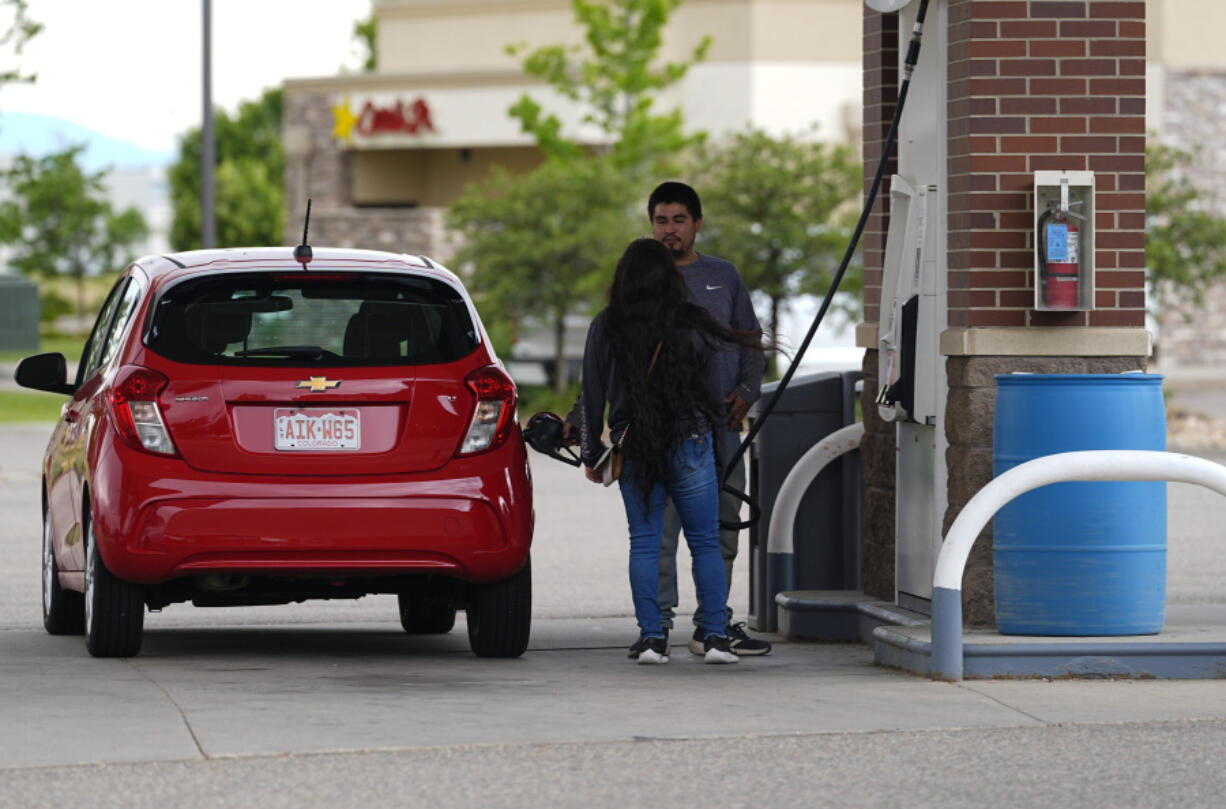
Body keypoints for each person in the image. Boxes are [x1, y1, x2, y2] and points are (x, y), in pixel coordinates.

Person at [576, 238, 764, 665]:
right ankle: (715, 638)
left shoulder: (606, 325)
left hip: (636, 448)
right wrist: (717, 445)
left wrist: (591, 455)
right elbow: (713, 391)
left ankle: (652, 639)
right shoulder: (692, 322)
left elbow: (592, 396)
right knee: (705, 543)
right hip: (692, 442)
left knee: (644, 543)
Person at [646, 181, 772, 657]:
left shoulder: (723, 275)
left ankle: (711, 625)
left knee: (722, 526)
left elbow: (750, 340)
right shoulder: (642, 278)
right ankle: (655, 626)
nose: (670, 229)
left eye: (679, 220)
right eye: (661, 220)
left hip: (722, 428)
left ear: (697, 224)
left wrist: (745, 391)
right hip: (664, 431)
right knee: (660, 533)